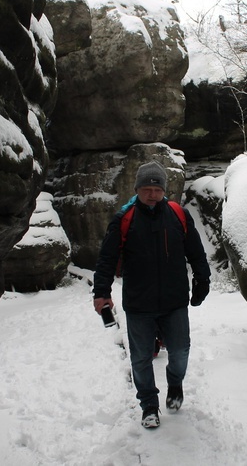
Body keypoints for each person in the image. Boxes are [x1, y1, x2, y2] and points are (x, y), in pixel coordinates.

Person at [92, 160, 211, 429]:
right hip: (139, 303)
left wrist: (203, 279)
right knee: (141, 357)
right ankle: (148, 405)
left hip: (174, 300)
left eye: (157, 189)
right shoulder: (124, 218)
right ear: (137, 189)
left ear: (164, 190)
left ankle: (175, 384)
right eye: (147, 189)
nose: (152, 194)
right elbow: (107, 259)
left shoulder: (178, 214)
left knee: (180, 351)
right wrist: (102, 292)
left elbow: (195, 251)